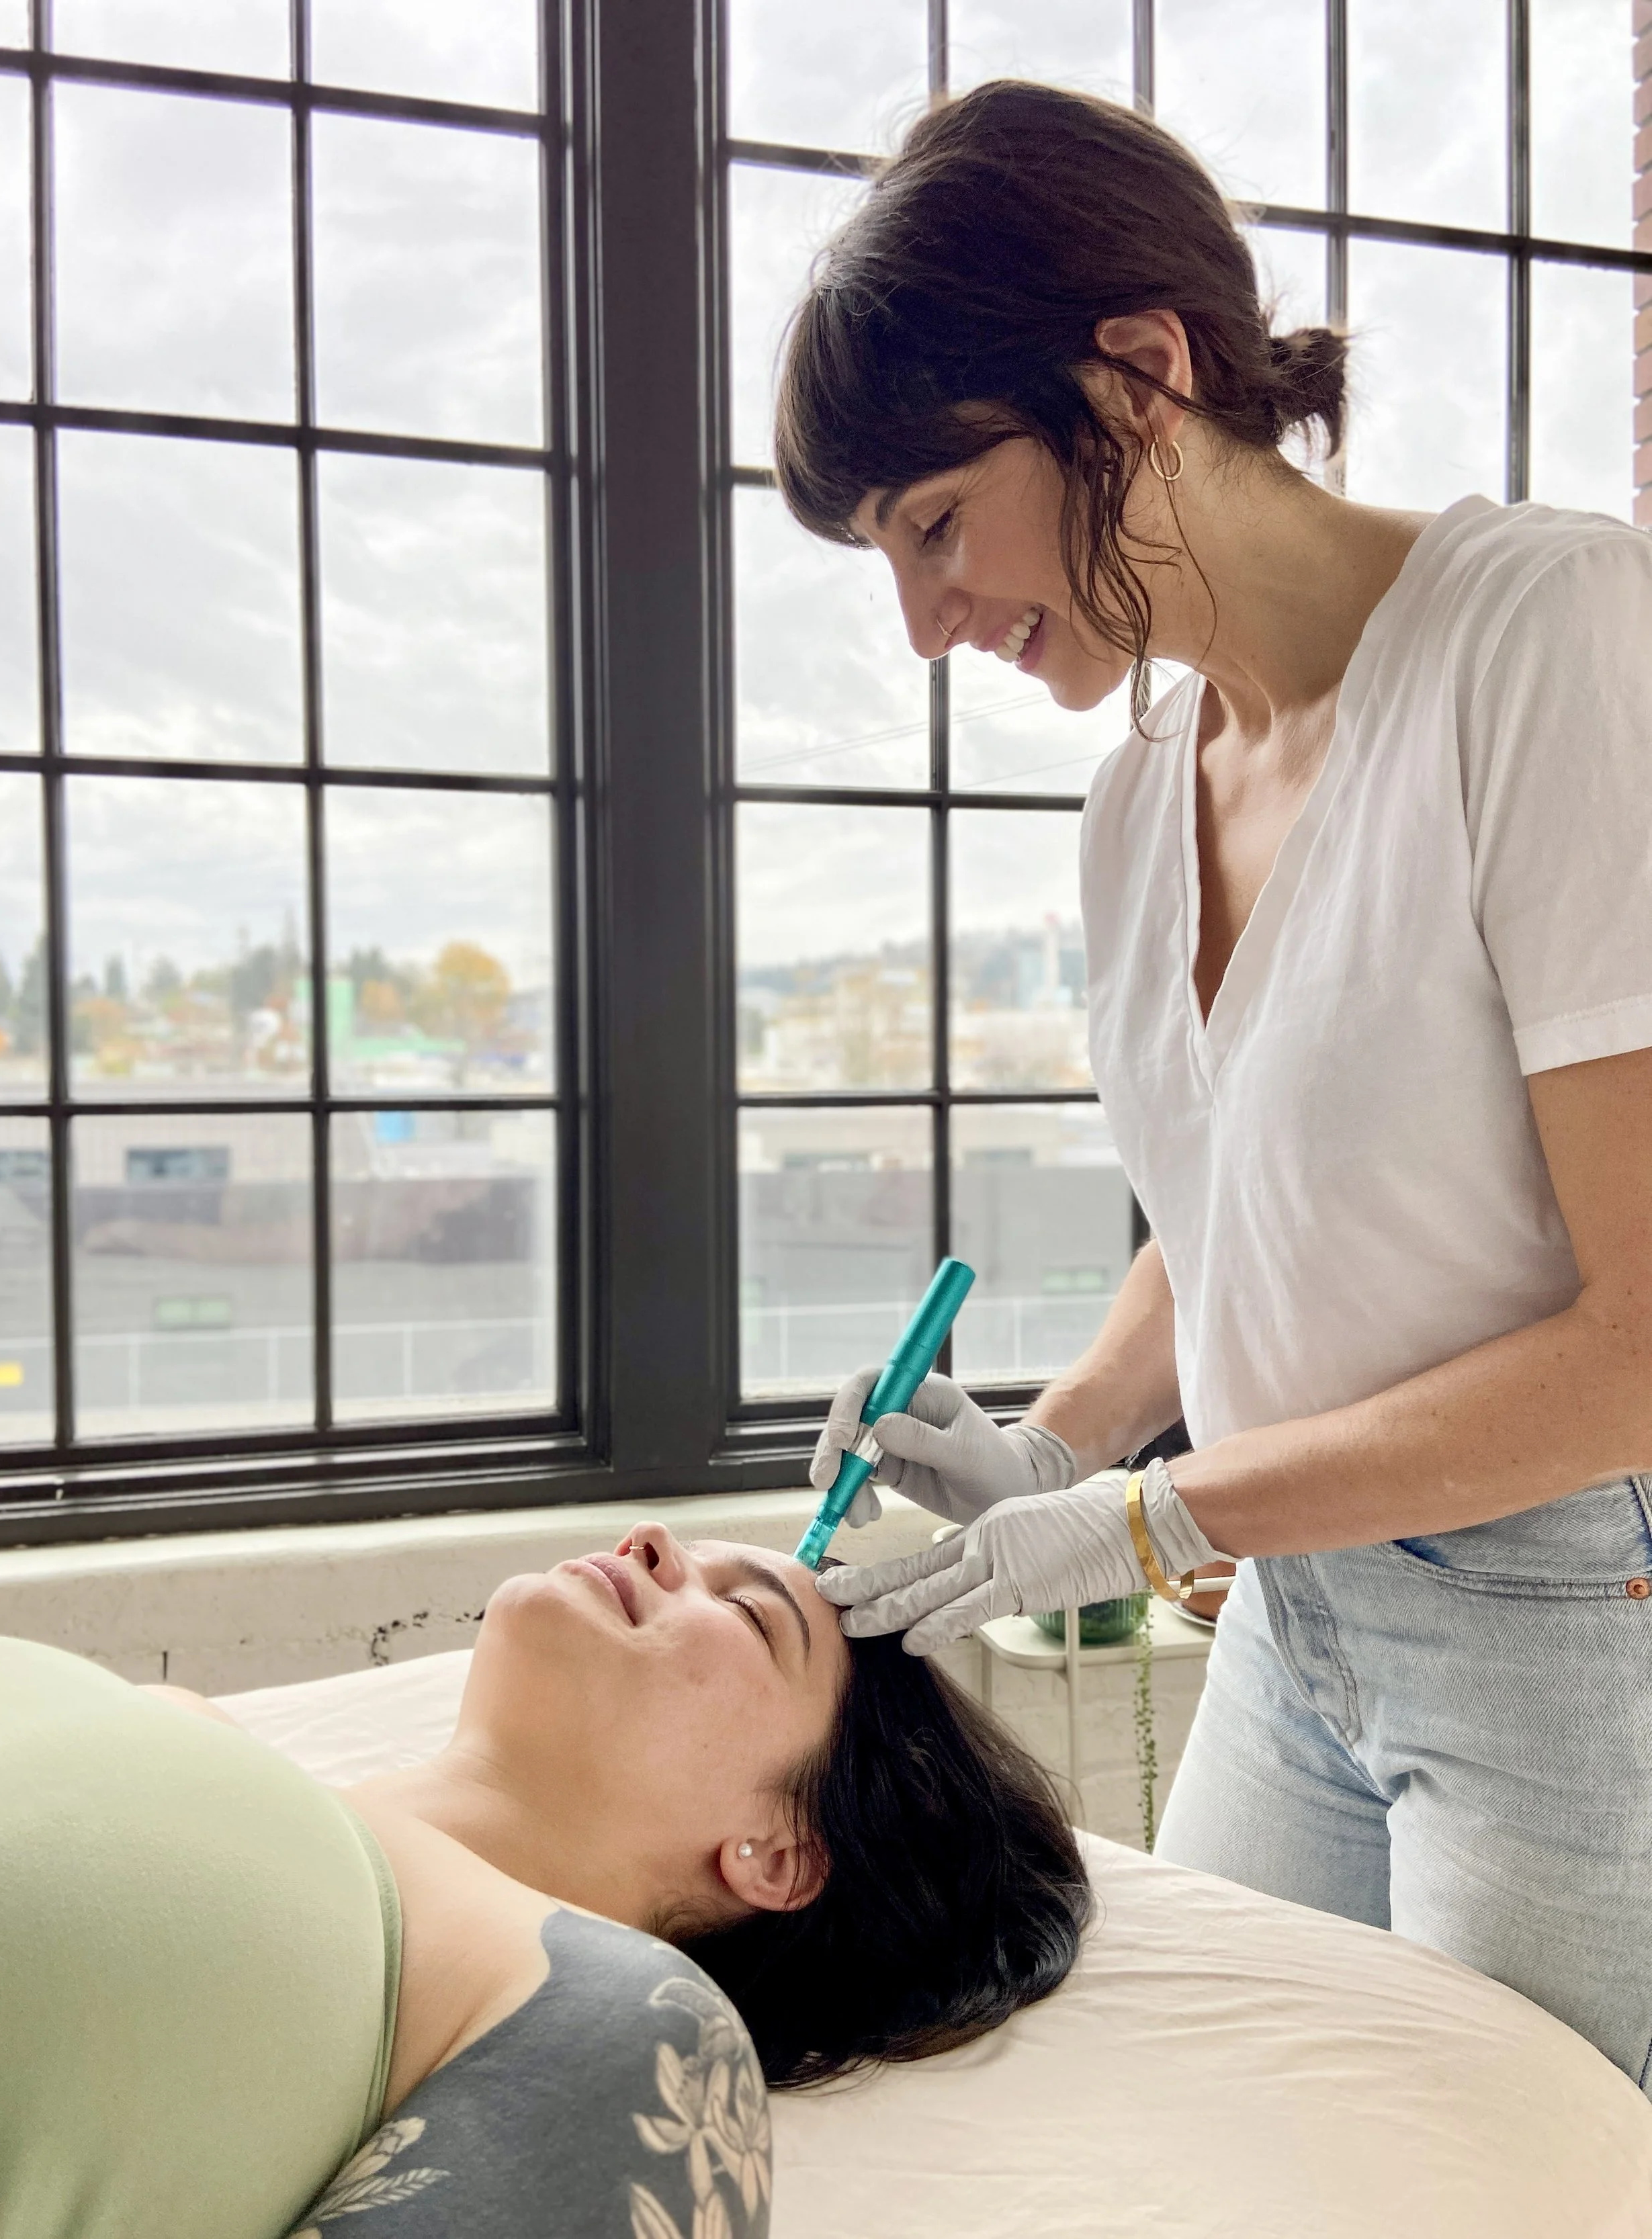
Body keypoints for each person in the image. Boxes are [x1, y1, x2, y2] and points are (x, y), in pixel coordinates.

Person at [779, 79, 1652, 2097]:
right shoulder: (1132, 804)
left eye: (932, 522)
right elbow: (1238, 1218)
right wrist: (1054, 1441)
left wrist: (1144, 1513)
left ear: (1138, 372)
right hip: (1291, 1621)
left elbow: (1639, 1342)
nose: (920, 622)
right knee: (1220, 2145)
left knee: (1526, 2185)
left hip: (1560, 1615)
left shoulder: (1542, 641)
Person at [0, 1525, 1087, 2239]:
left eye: (747, 1611)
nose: (652, 1543)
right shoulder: (192, 1730)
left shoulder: (606, 2020)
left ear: (781, 1853)